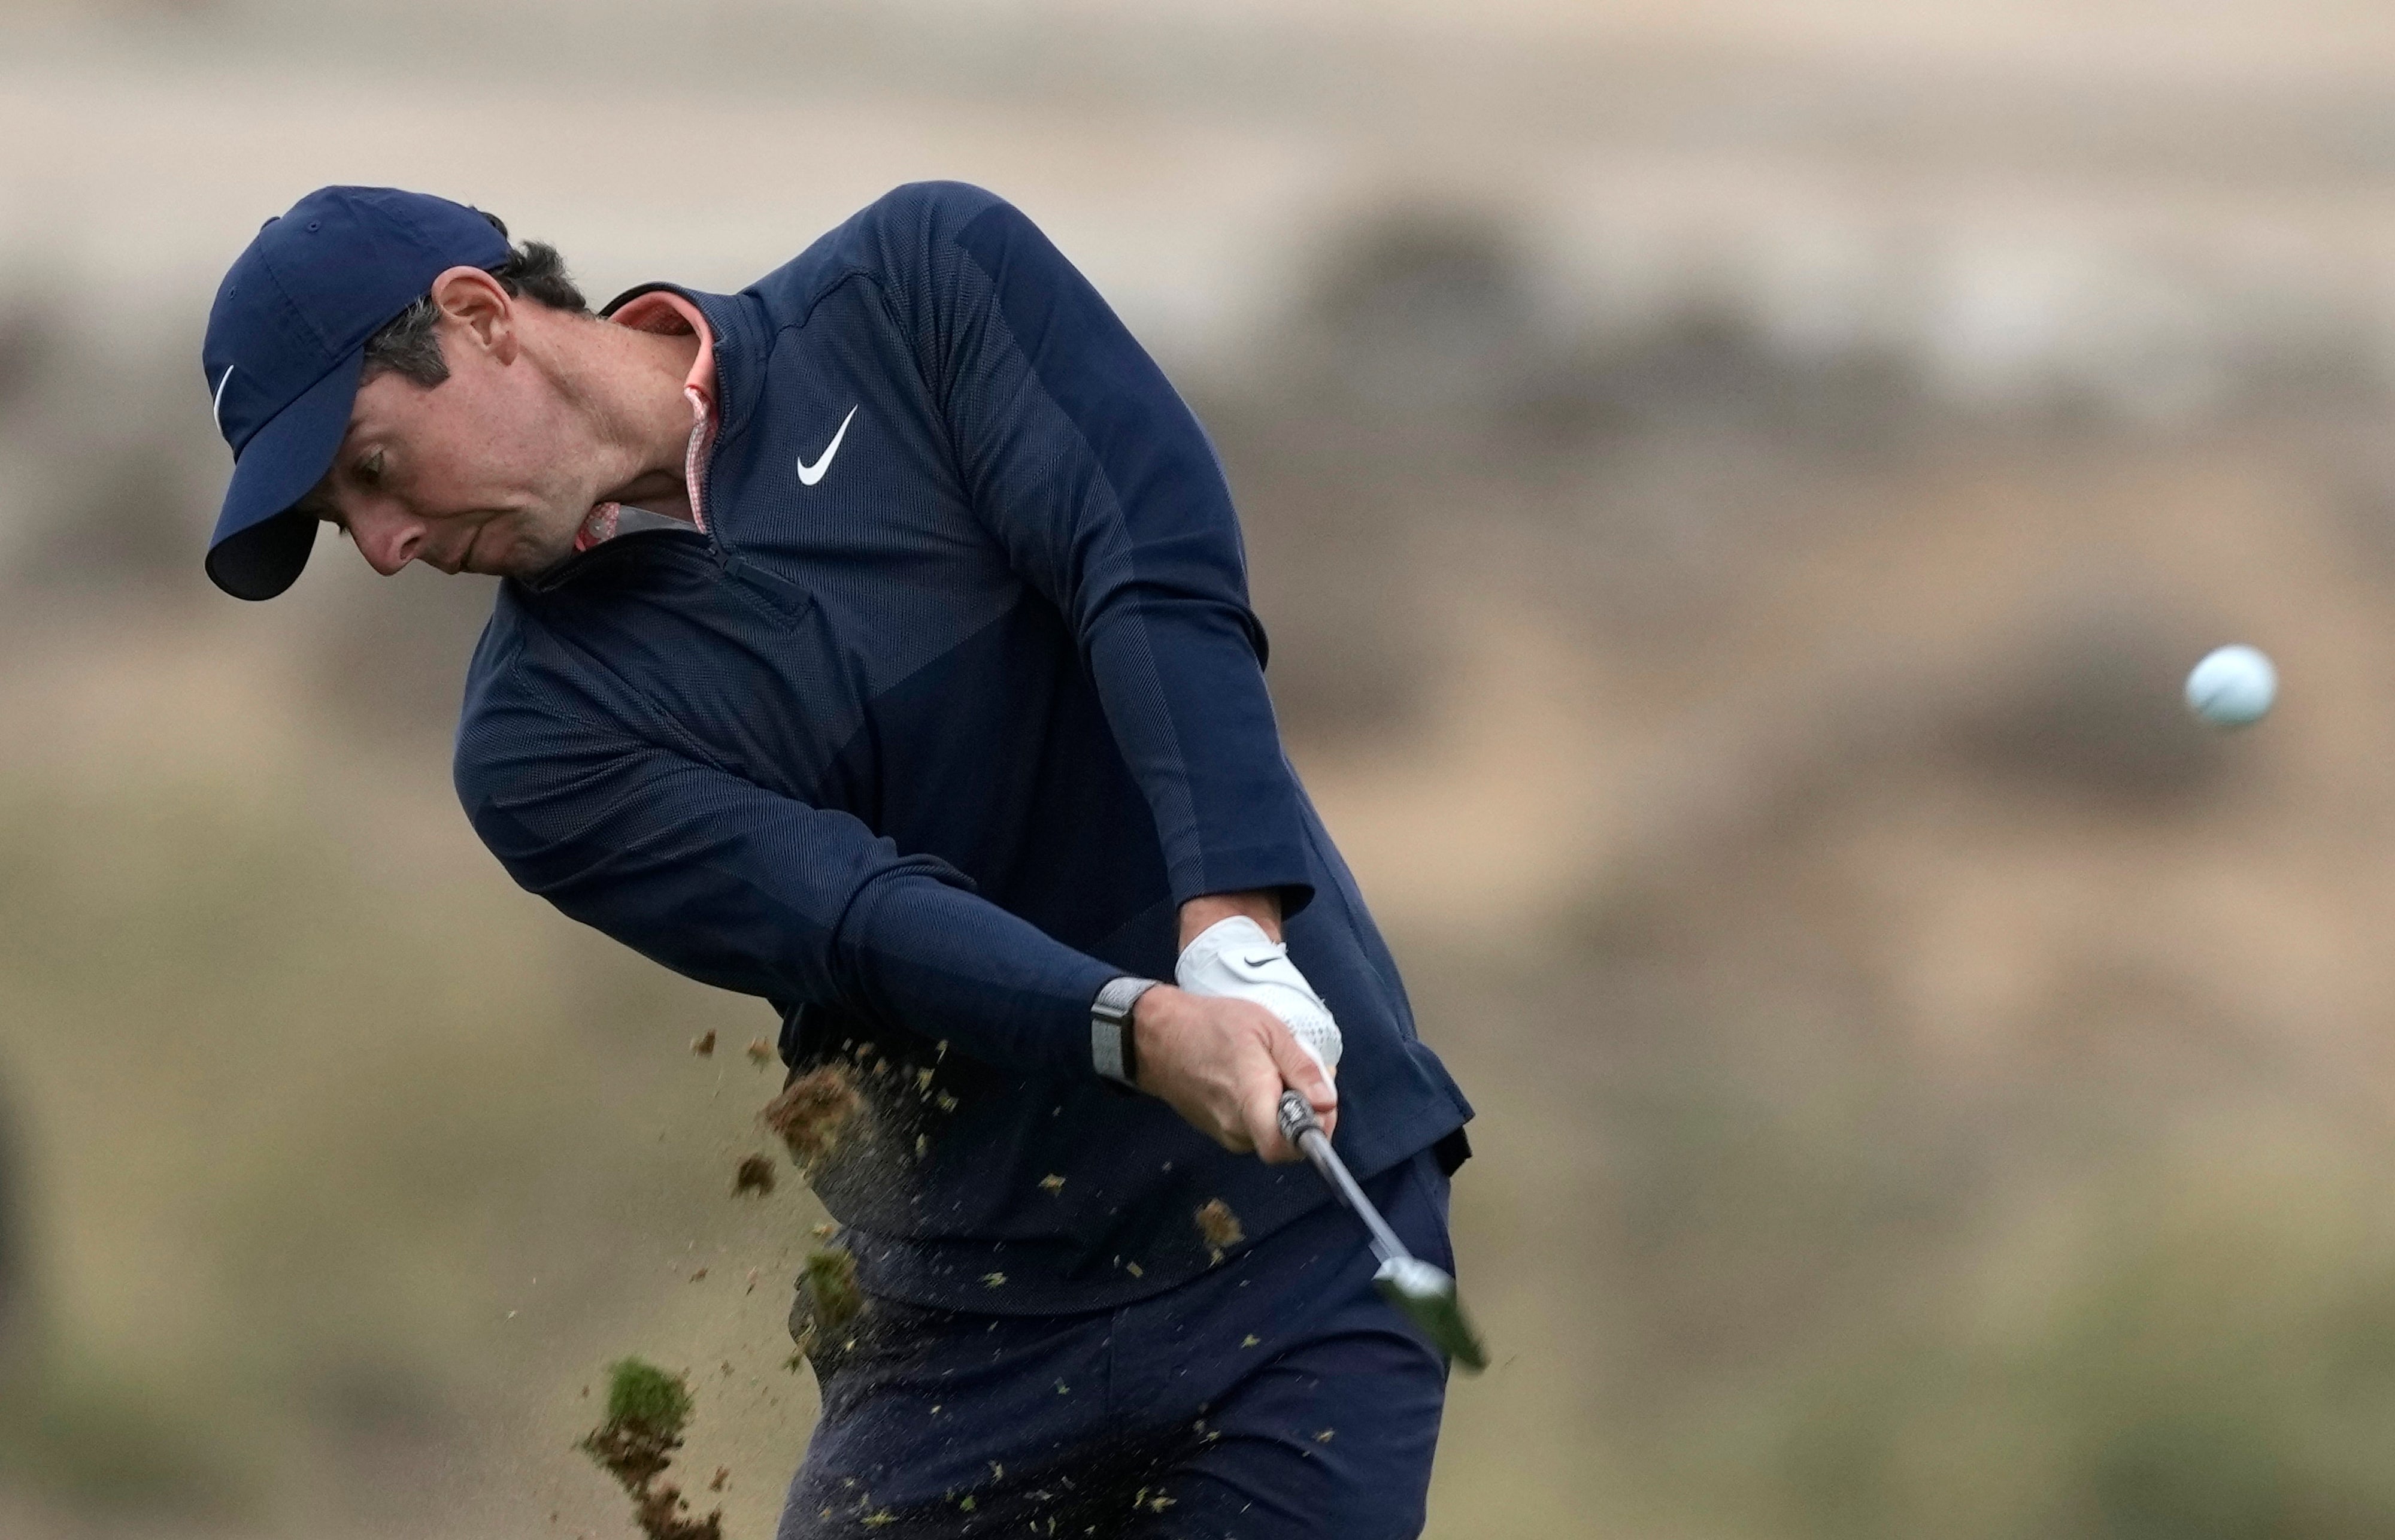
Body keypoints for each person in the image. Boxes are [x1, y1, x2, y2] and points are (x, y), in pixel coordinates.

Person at [199, 183, 1473, 1538]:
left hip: (1294, 1245)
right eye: (347, 519)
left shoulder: (919, 292)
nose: (386, 546)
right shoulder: (539, 746)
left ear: (478, 318)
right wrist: (1145, 1023)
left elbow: (1146, 567)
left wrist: (1234, 933)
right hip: (964, 1334)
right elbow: (856, 917)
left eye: (374, 468)